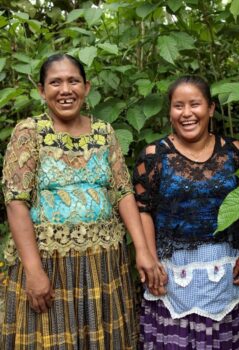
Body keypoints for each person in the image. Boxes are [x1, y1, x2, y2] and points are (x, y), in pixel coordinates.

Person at [1, 53, 161, 349]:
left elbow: (123, 192)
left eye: (73, 81)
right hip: (49, 262)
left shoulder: (104, 133)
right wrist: (34, 271)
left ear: (86, 87)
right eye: (55, 82)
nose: (65, 90)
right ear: (41, 90)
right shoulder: (29, 132)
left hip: (103, 264)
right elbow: (15, 202)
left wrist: (142, 250)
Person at [133, 75, 239, 349]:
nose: (187, 113)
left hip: (222, 268)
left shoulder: (234, 152)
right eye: (178, 106)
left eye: (195, 104)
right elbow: (143, 210)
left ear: (210, 108)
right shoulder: (154, 157)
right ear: (169, 111)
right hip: (171, 270)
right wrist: (152, 262)